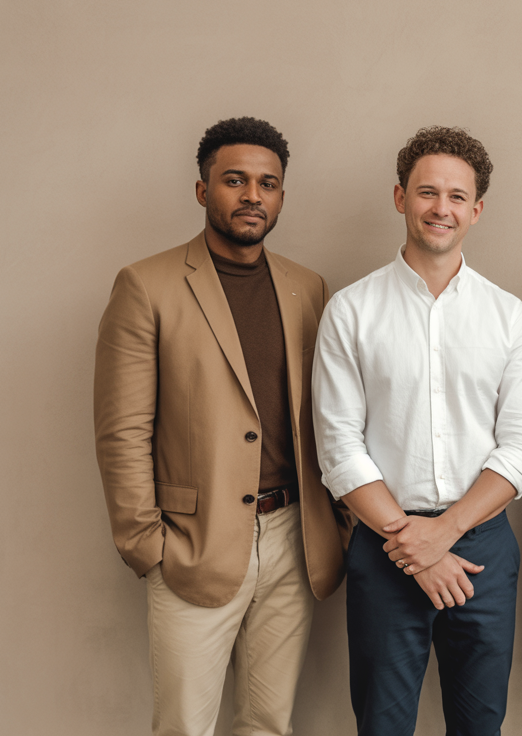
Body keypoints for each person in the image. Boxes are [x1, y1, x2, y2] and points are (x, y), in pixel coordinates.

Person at [93, 117, 350, 736]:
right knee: (184, 726)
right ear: (203, 189)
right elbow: (122, 430)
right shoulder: (146, 286)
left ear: (282, 196)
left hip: (293, 536)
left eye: (268, 183)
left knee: (267, 723)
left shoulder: (307, 289)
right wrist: (145, 544)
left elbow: (331, 418)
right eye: (235, 180)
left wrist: (335, 527)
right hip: (192, 541)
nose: (252, 196)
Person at [312, 125, 522, 736]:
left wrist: (446, 533)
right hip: (384, 547)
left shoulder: (509, 317)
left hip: (483, 551)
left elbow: (521, 450)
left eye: (457, 197)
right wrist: (412, 547)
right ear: (400, 198)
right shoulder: (351, 310)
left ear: (477, 210)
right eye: (427, 192)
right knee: (382, 727)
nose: (442, 208)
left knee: (480, 725)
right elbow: (339, 449)